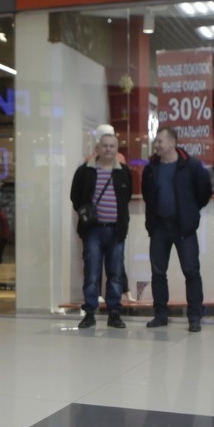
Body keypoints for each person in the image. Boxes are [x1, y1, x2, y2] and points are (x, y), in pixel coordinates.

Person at [141, 126, 213, 332]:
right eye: (156, 141)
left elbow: (204, 192)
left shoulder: (191, 166)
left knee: (191, 271)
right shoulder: (151, 169)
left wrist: (190, 211)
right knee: (158, 272)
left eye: (160, 141)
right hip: (159, 227)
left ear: (173, 143)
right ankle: (160, 314)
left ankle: (194, 316)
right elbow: (148, 195)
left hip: (184, 228)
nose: (157, 145)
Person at [70, 129, 133, 329]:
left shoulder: (123, 172)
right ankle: (89, 312)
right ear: (97, 148)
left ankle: (114, 312)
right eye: (104, 146)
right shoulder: (84, 171)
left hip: (116, 231)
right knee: (92, 273)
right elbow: (75, 197)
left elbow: (127, 197)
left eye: (112, 146)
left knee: (115, 273)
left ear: (116, 149)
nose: (108, 149)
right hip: (93, 231)